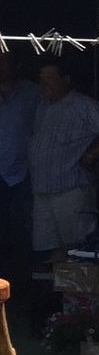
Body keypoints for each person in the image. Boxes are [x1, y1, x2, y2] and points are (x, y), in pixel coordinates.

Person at [30, 58, 99, 260]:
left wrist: (91, 155)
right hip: (42, 191)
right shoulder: (43, 106)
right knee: (51, 250)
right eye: (42, 78)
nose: (45, 83)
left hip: (71, 189)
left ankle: (80, 291)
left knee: (78, 247)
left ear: (66, 80)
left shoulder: (83, 105)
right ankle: (60, 290)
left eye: (50, 78)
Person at [0, 53, 36, 282]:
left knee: (25, 229)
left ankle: (23, 282)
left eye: (4, 62)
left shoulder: (33, 93)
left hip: (26, 171)